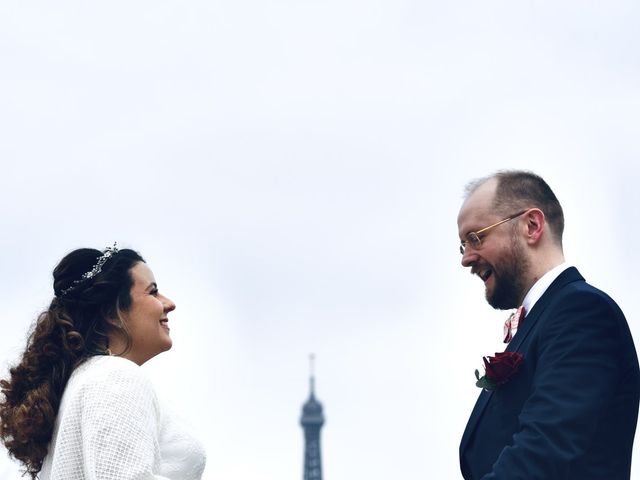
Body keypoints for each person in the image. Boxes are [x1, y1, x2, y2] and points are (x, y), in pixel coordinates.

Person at [457, 170, 640, 479]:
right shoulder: (548, 317)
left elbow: (542, 454)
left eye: (476, 237)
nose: (466, 259)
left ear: (532, 226)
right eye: (463, 245)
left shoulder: (582, 312)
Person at [0, 245, 206, 480]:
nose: (169, 303)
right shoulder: (115, 376)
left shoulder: (86, 381)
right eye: (153, 292)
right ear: (111, 312)